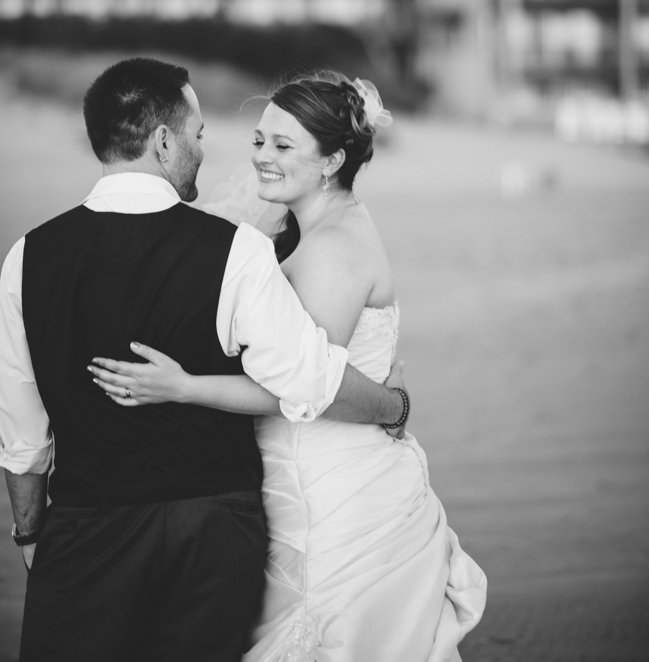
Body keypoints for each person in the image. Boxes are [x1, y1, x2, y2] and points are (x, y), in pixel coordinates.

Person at [0, 58, 410, 662]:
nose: (204, 151)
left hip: (85, 527)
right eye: (197, 136)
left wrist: (32, 529)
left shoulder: (28, 256)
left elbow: (22, 430)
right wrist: (394, 404)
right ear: (164, 141)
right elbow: (310, 378)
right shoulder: (237, 249)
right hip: (214, 530)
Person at [92, 70, 487, 662]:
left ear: (331, 160)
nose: (262, 159)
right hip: (309, 471)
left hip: (331, 494)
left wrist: (183, 387)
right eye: (258, 141)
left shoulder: (332, 249)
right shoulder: (302, 228)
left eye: (283, 146)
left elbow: (304, 389)